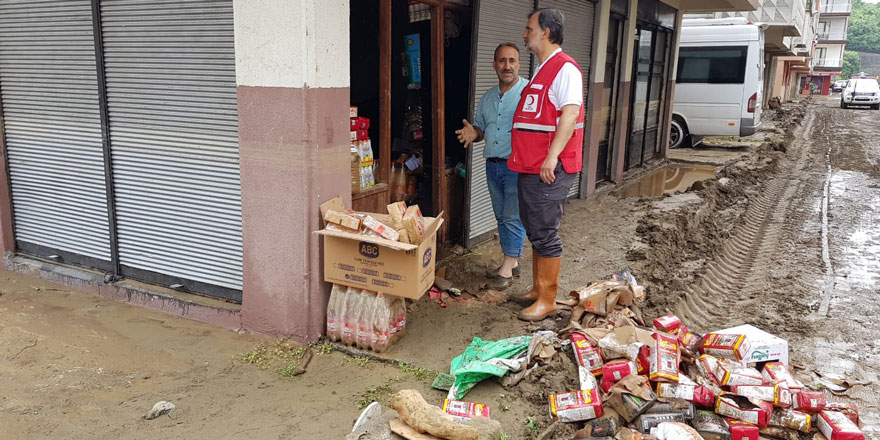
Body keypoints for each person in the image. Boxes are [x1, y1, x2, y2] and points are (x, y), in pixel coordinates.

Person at [508, 8, 585, 321]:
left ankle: (548, 299)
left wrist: (552, 156)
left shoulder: (566, 69)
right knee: (534, 226)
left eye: (529, 29)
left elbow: (570, 114)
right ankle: (538, 289)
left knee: (545, 231)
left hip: (549, 167)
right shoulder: (543, 68)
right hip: (531, 165)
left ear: (547, 33)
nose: (525, 34)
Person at [455, 43, 528, 290]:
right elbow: (481, 130)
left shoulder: (529, 92)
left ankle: (507, 268)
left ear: (519, 64)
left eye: (512, 61)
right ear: (494, 64)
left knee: (512, 215)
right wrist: (471, 133)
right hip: (493, 165)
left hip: (517, 166)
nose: (507, 66)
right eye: (502, 61)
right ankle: (513, 261)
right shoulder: (487, 98)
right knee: (500, 215)